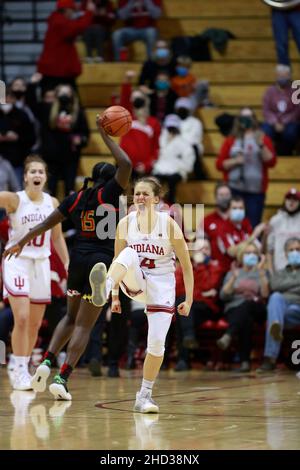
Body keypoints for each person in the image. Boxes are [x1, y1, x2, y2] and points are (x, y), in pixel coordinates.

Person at [4, 117, 132, 400]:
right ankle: (62, 378)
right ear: (110, 179)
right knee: (86, 325)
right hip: (101, 258)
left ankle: (48, 360)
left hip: (77, 260)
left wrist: (21, 242)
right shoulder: (109, 193)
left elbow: (45, 225)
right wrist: (105, 135)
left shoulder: (75, 197)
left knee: (70, 317)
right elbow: (127, 164)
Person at [89, 176, 194, 413]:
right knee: (127, 255)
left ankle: (144, 395)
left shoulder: (169, 224)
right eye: (137, 193)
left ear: (157, 199)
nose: (140, 197)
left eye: (146, 194)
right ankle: (104, 288)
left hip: (162, 284)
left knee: (157, 345)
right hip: (134, 280)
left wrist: (188, 299)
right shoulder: (124, 223)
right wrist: (115, 297)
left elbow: (186, 266)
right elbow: (118, 260)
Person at [0, 155, 69, 391]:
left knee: (34, 323)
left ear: (46, 176)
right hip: (16, 261)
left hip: (41, 263)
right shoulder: (14, 199)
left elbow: (57, 238)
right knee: (21, 317)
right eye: (33, 172)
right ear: (25, 177)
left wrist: (67, 263)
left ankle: (24, 365)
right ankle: (18, 369)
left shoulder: (51, 202)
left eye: (41, 171)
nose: (37, 175)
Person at [216, 107, 276, 227]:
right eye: (243, 117)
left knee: (252, 224)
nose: (246, 120)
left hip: (255, 191)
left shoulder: (262, 138)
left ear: (254, 119)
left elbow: (271, 161)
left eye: (249, 117)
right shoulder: (231, 140)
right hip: (234, 189)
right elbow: (219, 164)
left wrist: (261, 145)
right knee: (232, 224)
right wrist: (235, 161)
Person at [217, 243, 269, 372]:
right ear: (241, 256)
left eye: (253, 253)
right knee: (246, 319)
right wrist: (233, 278)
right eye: (247, 253)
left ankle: (229, 334)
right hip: (235, 309)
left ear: (258, 256)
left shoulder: (262, 272)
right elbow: (223, 296)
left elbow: (265, 295)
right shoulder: (233, 273)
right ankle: (245, 362)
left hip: (257, 308)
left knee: (248, 304)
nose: (251, 256)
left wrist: (262, 274)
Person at [257, 237, 300, 373]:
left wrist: (285, 287)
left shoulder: (280, 276)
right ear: (286, 254)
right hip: (284, 308)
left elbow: (278, 285)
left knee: (276, 310)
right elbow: (274, 286)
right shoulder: (280, 273)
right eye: (291, 250)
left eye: (298, 249)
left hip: (298, 308)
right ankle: (270, 356)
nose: (295, 252)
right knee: (275, 297)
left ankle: (270, 358)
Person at [37, 0, 95, 93]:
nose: (73, 13)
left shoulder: (57, 20)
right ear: (66, 10)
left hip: (57, 70)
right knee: (60, 99)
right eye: (72, 10)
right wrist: (89, 13)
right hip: (58, 71)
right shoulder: (59, 22)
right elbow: (77, 27)